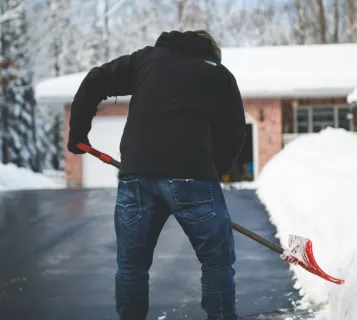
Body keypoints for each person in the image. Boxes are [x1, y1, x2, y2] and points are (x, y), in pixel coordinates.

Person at [67, 30, 246, 320]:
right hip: (192, 176)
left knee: (131, 265)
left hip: (137, 174)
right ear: (211, 53)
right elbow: (233, 133)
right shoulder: (219, 74)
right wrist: (214, 170)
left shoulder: (147, 60)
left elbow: (96, 79)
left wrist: (77, 131)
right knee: (216, 261)